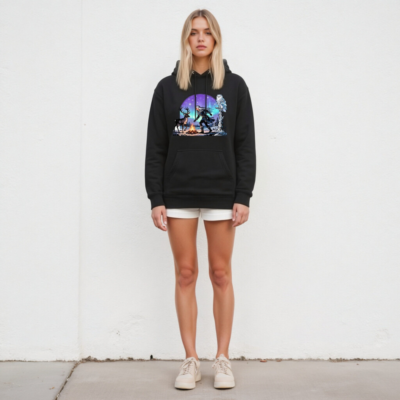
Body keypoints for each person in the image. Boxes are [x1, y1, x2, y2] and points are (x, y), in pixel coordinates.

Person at [144, 9, 256, 390]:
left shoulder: (235, 88)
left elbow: (245, 145)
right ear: (186, 40)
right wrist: (156, 197)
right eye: (194, 33)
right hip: (178, 192)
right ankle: (190, 359)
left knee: (220, 274)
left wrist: (243, 195)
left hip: (222, 193)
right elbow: (156, 148)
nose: (201, 38)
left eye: (207, 32)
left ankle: (222, 359)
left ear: (216, 38)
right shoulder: (167, 89)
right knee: (186, 273)